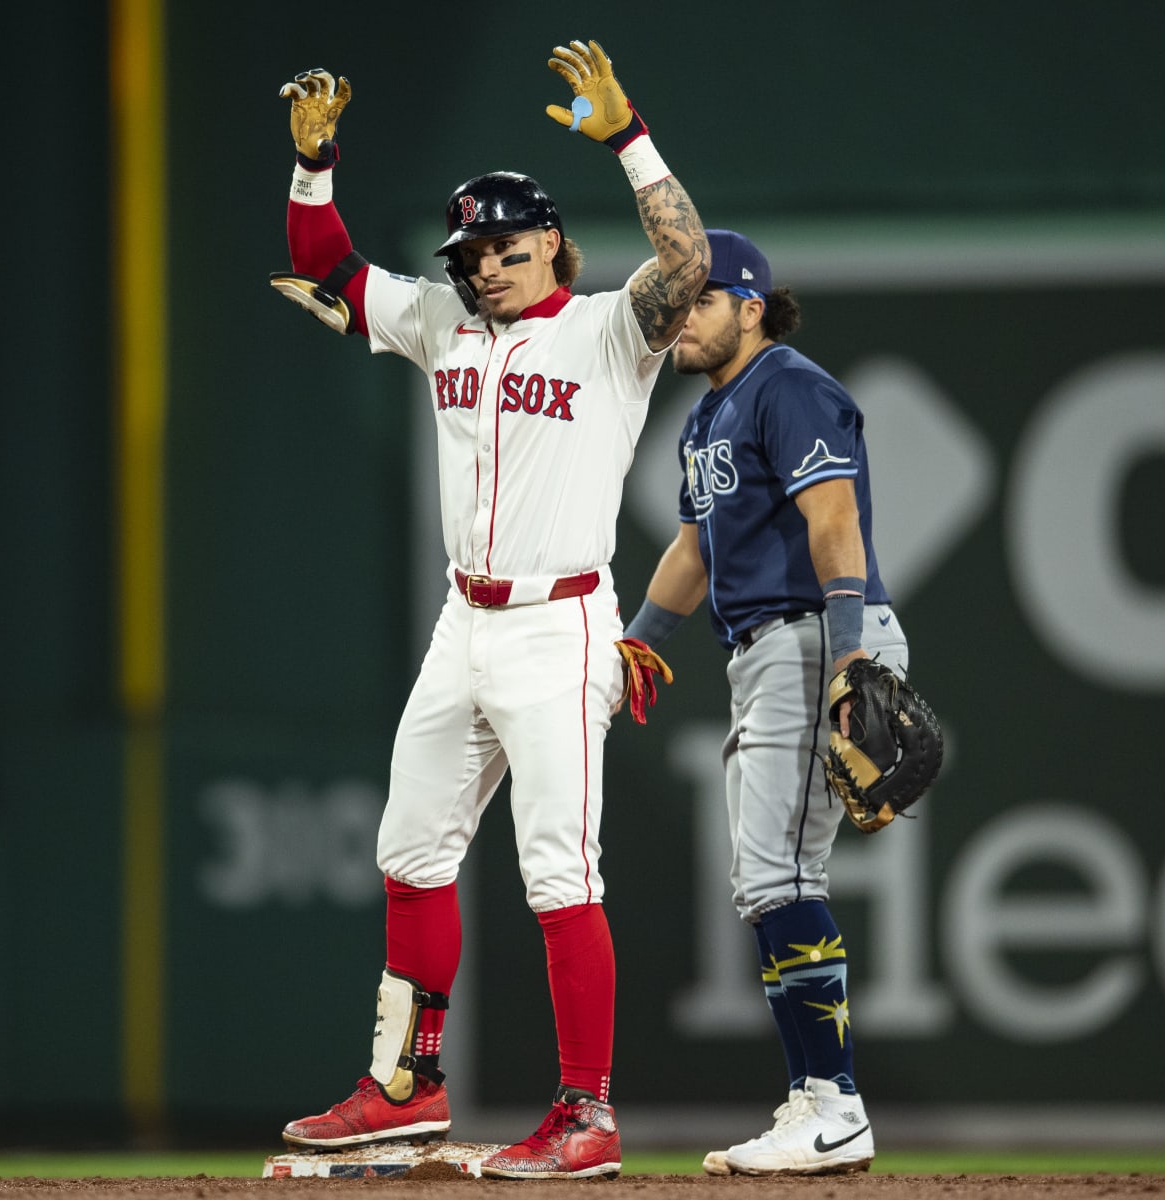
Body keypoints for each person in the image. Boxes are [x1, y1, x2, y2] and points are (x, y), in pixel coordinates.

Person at [269, 40, 709, 1180]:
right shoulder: (441, 322)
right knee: (411, 848)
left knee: (560, 873)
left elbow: (691, 262)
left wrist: (627, 135)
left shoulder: (612, 330)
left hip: (561, 625)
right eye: (472, 252)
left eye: (508, 248)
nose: (488, 268)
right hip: (462, 623)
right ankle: (405, 1089)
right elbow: (325, 260)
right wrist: (313, 164)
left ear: (552, 240)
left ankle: (587, 1112)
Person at [620, 229, 907, 1176]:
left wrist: (849, 650)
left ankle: (833, 1105)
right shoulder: (707, 418)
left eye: (699, 298)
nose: (680, 315)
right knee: (767, 882)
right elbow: (696, 550)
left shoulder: (786, 385)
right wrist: (638, 640)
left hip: (814, 636)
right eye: (674, 299)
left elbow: (834, 519)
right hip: (767, 648)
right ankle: (817, 1101)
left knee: (780, 878)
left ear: (750, 303)